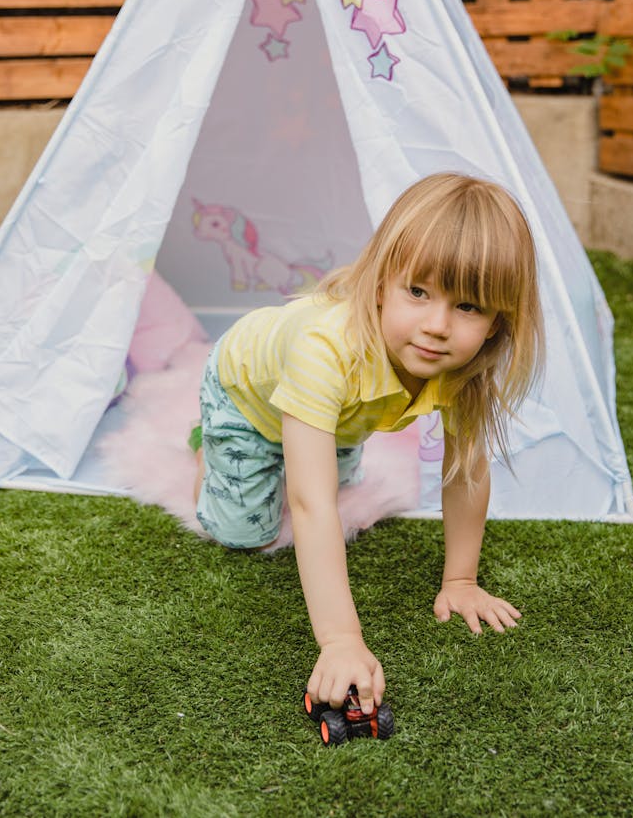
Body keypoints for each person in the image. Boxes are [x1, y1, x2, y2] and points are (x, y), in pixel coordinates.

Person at [192, 173, 544, 717]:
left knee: (343, 486)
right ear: (381, 282)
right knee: (245, 532)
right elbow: (311, 507)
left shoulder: (463, 366)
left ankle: (304, 442)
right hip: (245, 394)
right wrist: (341, 642)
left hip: (338, 418)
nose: (437, 326)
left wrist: (462, 580)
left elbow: (467, 472)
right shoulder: (324, 350)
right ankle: (204, 445)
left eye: (469, 307)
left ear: (499, 323)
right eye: (419, 292)